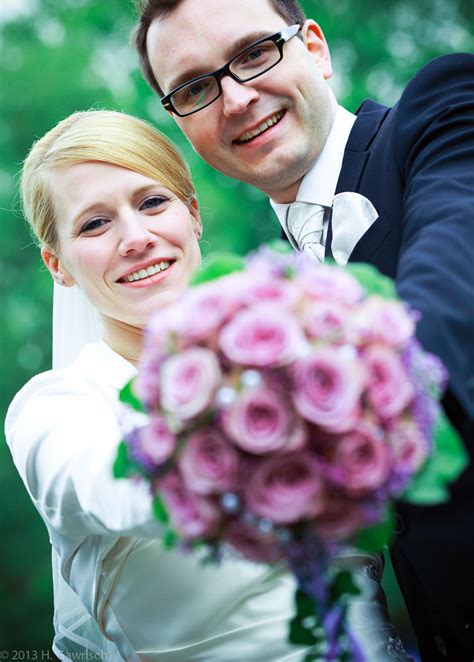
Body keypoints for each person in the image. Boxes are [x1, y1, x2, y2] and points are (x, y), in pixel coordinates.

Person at [133, 0, 474, 660]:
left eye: (254, 54)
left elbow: (449, 281)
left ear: (313, 47)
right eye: (195, 88)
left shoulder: (441, 113)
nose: (236, 99)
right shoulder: (265, 298)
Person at [5, 109, 409, 661]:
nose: (136, 238)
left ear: (193, 215)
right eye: (95, 224)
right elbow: (112, 487)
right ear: (59, 265)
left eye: (152, 203)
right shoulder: (55, 409)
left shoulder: (300, 355)